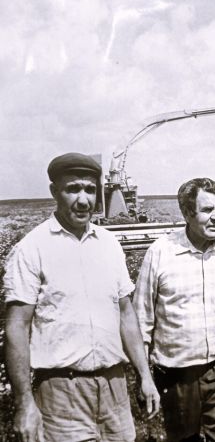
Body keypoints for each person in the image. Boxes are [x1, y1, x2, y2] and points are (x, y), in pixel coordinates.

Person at [3, 152, 160, 442]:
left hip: (115, 390)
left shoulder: (109, 244)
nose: (84, 200)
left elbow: (126, 315)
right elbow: (17, 327)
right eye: (73, 189)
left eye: (90, 189)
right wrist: (24, 403)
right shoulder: (32, 249)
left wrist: (145, 376)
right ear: (54, 192)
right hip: (62, 393)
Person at [133, 177, 215, 442]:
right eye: (207, 210)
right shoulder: (160, 253)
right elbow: (141, 324)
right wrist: (143, 376)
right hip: (177, 374)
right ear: (187, 213)